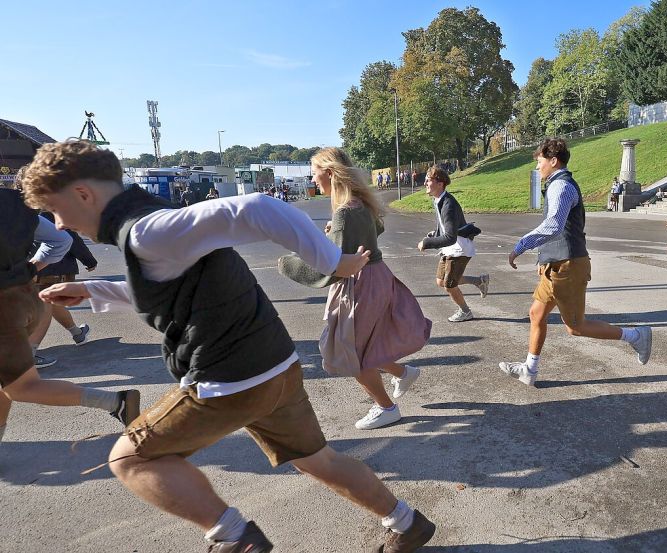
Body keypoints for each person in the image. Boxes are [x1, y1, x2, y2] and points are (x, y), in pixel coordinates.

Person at [22, 141, 435, 552]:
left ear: (83, 194)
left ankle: (233, 538)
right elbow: (166, 285)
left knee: (129, 459)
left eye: (55, 210)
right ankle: (406, 522)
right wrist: (93, 290)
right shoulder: (150, 225)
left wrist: (333, 262)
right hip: (276, 366)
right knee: (318, 459)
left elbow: (258, 207)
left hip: (230, 378)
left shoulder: (148, 231)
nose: (57, 225)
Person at [499, 138, 653, 387]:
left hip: (568, 265)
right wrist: (543, 257)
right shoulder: (556, 184)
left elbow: (553, 225)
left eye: (539, 162)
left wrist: (521, 246)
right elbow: (557, 228)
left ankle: (635, 336)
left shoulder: (561, 186)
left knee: (576, 327)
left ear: (553, 161)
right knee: (536, 314)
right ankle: (530, 369)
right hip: (555, 264)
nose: (537, 167)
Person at [0, 177, 139, 446]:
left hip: (4, 312)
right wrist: (29, 269)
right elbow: (60, 240)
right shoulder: (16, 206)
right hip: (23, 297)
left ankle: (116, 401)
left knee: (21, 387)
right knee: (9, 382)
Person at [311, 147, 432, 430]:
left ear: (329, 173)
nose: (313, 178)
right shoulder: (359, 204)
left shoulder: (344, 212)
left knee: (352, 351)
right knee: (367, 344)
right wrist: (338, 232)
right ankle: (403, 373)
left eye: (315, 172)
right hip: (377, 277)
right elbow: (375, 231)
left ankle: (386, 407)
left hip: (360, 283)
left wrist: (291, 262)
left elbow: (332, 263)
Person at [418, 167, 489, 322]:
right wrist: (435, 234)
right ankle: (479, 281)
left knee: (449, 285)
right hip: (450, 247)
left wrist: (427, 242)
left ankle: (466, 312)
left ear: (440, 183)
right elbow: (444, 226)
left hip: (459, 248)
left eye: (428, 180)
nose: (425, 183)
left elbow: (450, 237)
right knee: (440, 281)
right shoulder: (438, 200)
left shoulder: (448, 204)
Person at [29, 211, 99, 368]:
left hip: (28, 270)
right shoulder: (51, 214)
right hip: (54, 269)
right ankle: (29, 354)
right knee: (47, 303)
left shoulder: (17, 212)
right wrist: (89, 261)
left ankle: (77, 333)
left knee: (52, 302)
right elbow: (72, 240)